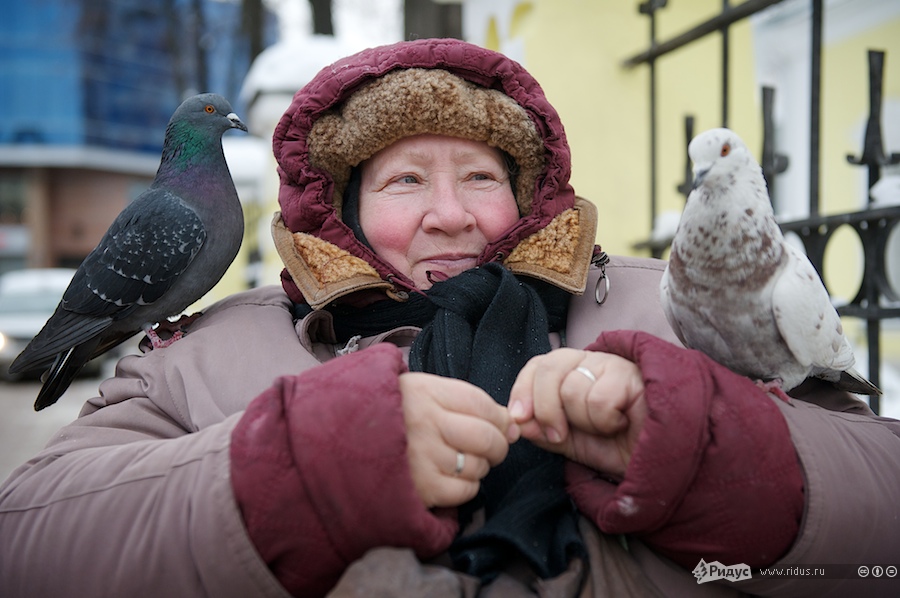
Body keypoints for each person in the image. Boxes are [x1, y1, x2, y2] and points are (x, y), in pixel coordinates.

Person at [1, 38, 898, 598]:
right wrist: (295, 469)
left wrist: (711, 446)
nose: (451, 214)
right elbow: (28, 543)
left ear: (529, 198)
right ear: (344, 214)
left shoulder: (666, 308)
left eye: (481, 177)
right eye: (402, 182)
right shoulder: (205, 354)